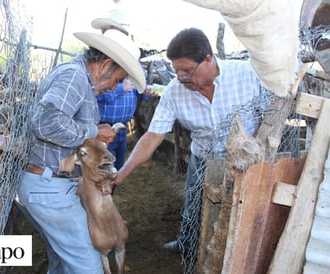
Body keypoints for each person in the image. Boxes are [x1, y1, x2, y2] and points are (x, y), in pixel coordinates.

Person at [112, 27, 270, 263]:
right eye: (176, 71)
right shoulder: (175, 92)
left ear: (208, 59)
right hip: (203, 158)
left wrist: (255, 145)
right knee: (194, 206)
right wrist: (123, 172)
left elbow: (271, 115)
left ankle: (237, 251)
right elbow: (153, 136)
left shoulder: (247, 75)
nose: (181, 77)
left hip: (247, 161)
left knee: (243, 207)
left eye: (186, 70)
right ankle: (187, 242)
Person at [17, 29, 145, 273]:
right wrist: (93, 132)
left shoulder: (80, 79)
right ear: (106, 64)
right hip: (49, 187)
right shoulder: (74, 77)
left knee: (62, 257)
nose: (114, 87)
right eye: (117, 79)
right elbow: (46, 122)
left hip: (48, 184)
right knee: (89, 261)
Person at [91, 11, 153, 192]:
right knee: (98, 166)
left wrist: (144, 93)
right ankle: (97, 204)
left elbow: (137, 91)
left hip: (121, 128)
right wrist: (119, 89)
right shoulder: (97, 67)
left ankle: (109, 201)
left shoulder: (132, 62)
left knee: (115, 168)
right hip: (102, 127)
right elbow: (95, 95)